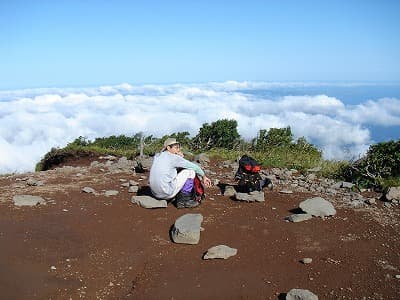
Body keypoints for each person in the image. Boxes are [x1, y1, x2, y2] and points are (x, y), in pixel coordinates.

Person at [149, 137, 212, 208]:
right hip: (166, 193)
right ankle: (184, 200)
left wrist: (178, 157)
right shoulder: (174, 158)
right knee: (190, 172)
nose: (178, 150)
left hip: (154, 193)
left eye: (179, 148)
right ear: (168, 148)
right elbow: (195, 167)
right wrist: (204, 177)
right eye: (176, 148)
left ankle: (176, 195)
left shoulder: (157, 156)